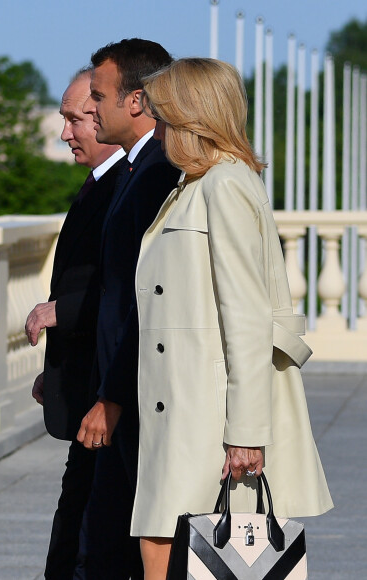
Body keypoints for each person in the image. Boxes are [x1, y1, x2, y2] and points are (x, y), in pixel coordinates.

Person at [133, 57, 334, 579]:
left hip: (209, 407)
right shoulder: (196, 185)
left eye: (162, 118)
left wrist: (245, 430)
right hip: (185, 402)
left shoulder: (223, 185)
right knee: (163, 545)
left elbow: (246, 314)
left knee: (184, 553)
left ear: (190, 119)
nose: (156, 132)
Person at [74, 39, 182, 579]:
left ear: (136, 101)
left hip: (141, 402)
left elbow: (150, 304)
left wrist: (112, 398)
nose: (90, 109)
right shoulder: (137, 171)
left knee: (116, 551)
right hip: (125, 394)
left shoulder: (159, 173)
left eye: (98, 96)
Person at [25, 68, 125, 580]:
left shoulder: (133, 185)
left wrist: (65, 312)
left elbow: (130, 290)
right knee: (73, 545)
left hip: (109, 403)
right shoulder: (101, 184)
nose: (66, 133)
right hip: (88, 388)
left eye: (74, 119)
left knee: (88, 550)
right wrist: (59, 366)